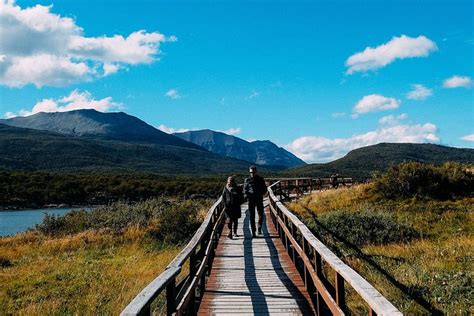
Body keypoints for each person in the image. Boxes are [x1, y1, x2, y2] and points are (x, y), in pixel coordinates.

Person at [244, 165, 267, 238]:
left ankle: (259, 228)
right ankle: (253, 231)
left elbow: (265, 188)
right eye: (251, 172)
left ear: (256, 172)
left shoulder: (260, 179)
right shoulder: (247, 180)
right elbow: (245, 189)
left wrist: (261, 194)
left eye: (253, 172)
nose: (252, 174)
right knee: (252, 216)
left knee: (261, 214)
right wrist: (247, 195)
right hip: (251, 200)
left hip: (259, 199)